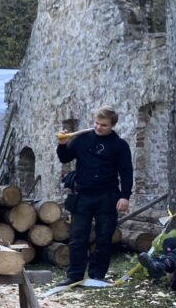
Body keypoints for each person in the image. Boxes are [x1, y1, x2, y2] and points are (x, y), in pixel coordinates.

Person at [56, 106, 132, 286]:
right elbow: (65, 158)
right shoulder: (82, 139)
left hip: (108, 196)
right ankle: (74, 275)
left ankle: (97, 275)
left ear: (112, 125)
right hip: (83, 195)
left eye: (103, 125)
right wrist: (62, 144)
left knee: (104, 237)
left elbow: (126, 172)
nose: (98, 127)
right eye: (97, 123)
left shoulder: (119, 145)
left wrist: (125, 196)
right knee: (77, 237)